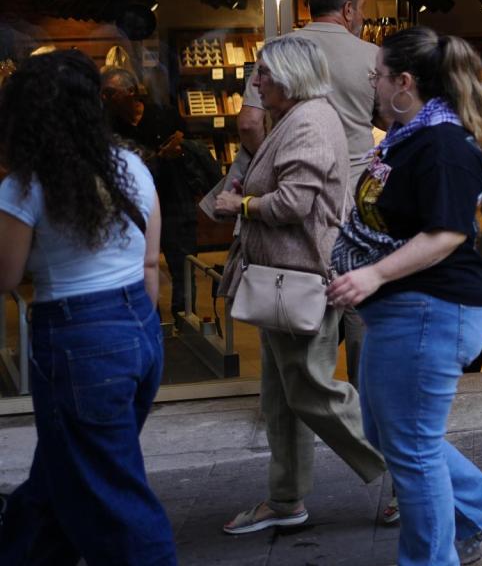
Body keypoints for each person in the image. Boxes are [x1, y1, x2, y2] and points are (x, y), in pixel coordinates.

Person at [324, 27, 482, 564]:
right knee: (388, 431)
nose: (373, 83)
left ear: (404, 82)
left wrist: (372, 275)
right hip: (407, 308)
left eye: (378, 75)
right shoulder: (410, 134)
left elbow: (449, 232)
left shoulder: (442, 145)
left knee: (412, 450)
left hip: (432, 308)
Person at [0, 51, 176, 565]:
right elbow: (150, 266)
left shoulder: (24, 186)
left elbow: (6, 276)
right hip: (137, 331)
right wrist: (137, 334)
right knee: (63, 473)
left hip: (79, 342)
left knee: (110, 494)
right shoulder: (132, 167)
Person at [213, 34, 390, 536]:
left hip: (300, 277)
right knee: (281, 396)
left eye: (263, 74)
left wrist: (241, 205)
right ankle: (285, 498)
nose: (256, 82)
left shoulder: (309, 121)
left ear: (289, 77)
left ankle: (412, 474)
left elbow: (294, 203)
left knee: (313, 390)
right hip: (283, 279)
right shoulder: (297, 118)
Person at [241, 0, 383, 386]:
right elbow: (389, 121)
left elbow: (250, 122)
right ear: (349, 9)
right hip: (355, 195)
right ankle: (361, 395)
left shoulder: (278, 54)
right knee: (358, 300)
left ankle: (301, 389)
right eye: (362, 9)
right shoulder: (371, 55)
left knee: (299, 291)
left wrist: (272, 166)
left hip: (293, 198)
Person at [102, 66, 209, 329]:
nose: (104, 98)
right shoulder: (107, 125)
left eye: (109, 93)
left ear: (130, 92)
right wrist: (159, 157)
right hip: (133, 208)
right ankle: (149, 324)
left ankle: (185, 325)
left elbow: (189, 147)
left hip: (174, 200)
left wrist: (180, 150)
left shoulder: (164, 115)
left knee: (182, 266)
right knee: (137, 268)